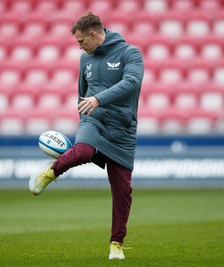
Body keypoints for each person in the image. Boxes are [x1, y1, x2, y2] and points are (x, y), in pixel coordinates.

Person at [29, 12, 144, 260]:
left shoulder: (130, 53)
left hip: (122, 130)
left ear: (93, 34)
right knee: (82, 151)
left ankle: (116, 244)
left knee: (123, 191)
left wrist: (99, 98)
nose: (79, 46)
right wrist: (87, 115)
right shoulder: (85, 59)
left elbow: (132, 82)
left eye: (81, 41)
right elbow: (82, 93)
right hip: (94, 119)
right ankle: (51, 172)